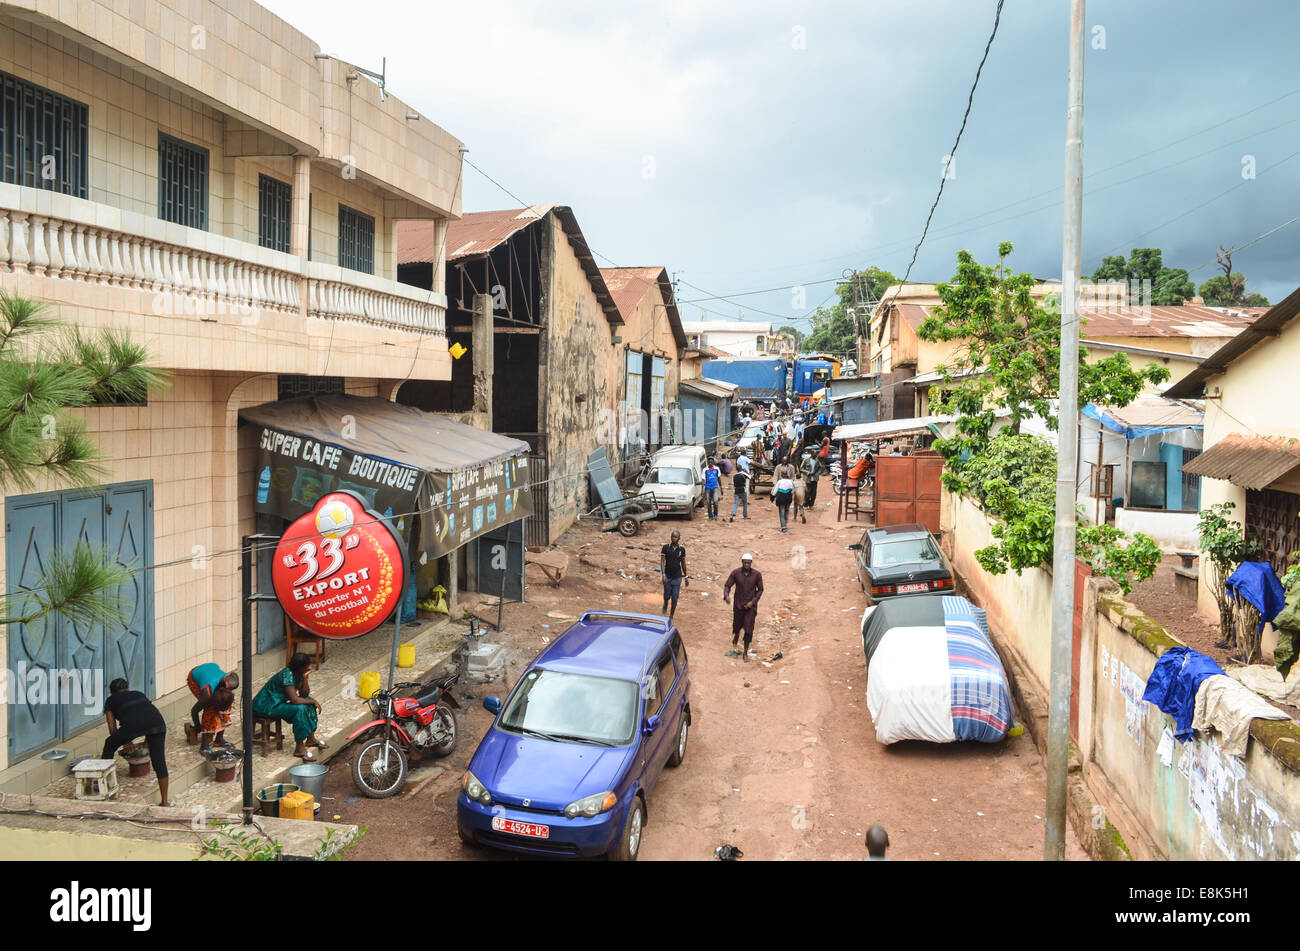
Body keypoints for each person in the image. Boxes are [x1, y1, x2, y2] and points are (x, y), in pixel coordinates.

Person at [102, 678, 169, 806]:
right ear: (128, 688)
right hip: (158, 722)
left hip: (132, 725)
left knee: (109, 744)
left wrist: (124, 741)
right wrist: (142, 741)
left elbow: (112, 729)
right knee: (159, 761)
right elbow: (146, 715)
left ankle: (104, 785)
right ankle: (165, 801)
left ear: (112, 693)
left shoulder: (111, 700)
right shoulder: (138, 694)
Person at [252, 652, 325, 760]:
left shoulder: (298, 674)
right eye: (307, 666)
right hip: (266, 706)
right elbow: (295, 700)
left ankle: (310, 738)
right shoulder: (287, 675)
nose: (310, 667)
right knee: (300, 709)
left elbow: (304, 694)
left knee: (308, 701)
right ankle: (299, 748)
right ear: (300, 667)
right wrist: (312, 701)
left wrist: (305, 678)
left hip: (279, 702)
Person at [186, 662, 239, 751]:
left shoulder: (232, 683)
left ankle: (219, 739)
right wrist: (198, 726)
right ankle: (204, 746)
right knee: (210, 710)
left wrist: (223, 712)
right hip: (195, 674)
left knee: (226, 709)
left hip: (212, 667)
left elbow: (234, 675)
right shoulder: (207, 694)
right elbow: (194, 711)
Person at [723, 554, 764, 661]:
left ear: (751, 563)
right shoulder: (735, 573)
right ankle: (736, 634)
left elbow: (760, 590)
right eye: (744, 562)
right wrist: (726, 595)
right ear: (742, 562)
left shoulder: (757, 575)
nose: (746, 564)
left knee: (749, 628)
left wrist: (753, 601)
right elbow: (727, 585)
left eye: (748, 562)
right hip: (738, 605)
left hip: (750, 607)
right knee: (737, 624)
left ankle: (745, 653)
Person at [660, 530, 689, 620]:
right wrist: (663, 574)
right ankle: (665, 602)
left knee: (675, 598)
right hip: (668, 576)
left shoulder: (682, 550)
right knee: (666, 596)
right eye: (672, 536)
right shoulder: (666, 548)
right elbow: (662, 561)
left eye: (675, 537)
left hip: (677, 577)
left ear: (679, 538)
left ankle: (671, 616)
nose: (674, 538)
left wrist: (686, 576)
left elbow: (683, 563)